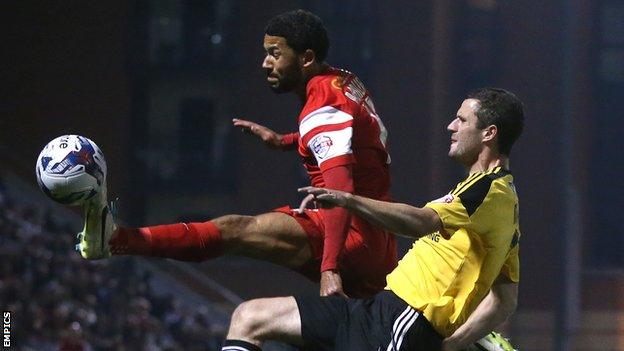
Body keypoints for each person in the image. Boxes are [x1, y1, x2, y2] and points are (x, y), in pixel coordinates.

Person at [76, 9, 397, 298]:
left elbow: (340, 190)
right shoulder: (343, 80)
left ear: (306, 58)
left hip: (351, 239)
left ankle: (116, 240)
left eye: (274, 54)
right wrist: (283, 140)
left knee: (235, 232)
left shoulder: (321, 107)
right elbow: (360, 138)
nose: (265, 63)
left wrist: (329, 268)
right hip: (377, 237)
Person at [220, 87, 524, 351]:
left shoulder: (490, 191)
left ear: (489, 133)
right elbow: (505, 300)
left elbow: (420, 221)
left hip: (405, 320)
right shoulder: (493, 202)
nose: (450, 126)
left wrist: (348, 200)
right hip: (377, 308)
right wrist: (451, 346)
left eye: (462, 120)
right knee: (250, 316)